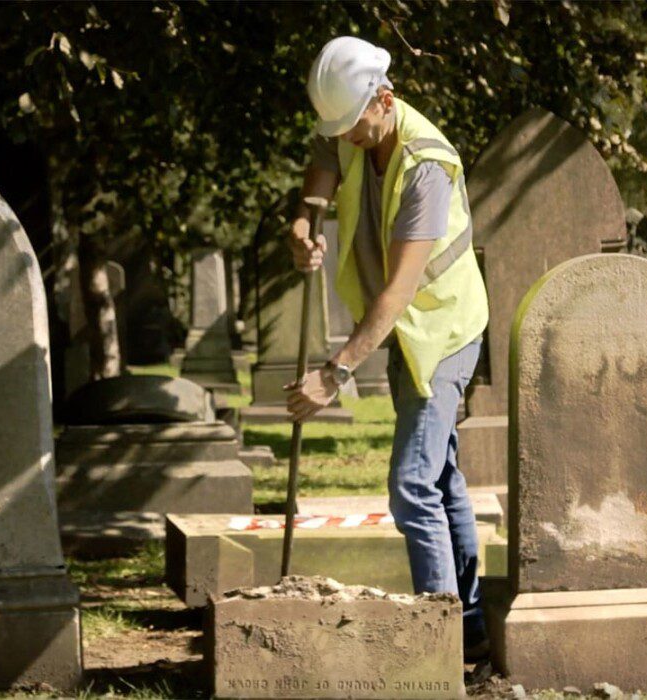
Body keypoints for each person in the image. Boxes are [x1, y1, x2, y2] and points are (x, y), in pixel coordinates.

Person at [285, 36, 490, 661]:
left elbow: (399, 293)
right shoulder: (352, 127)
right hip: (408, 328)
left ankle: (437, 648)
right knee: (442, 478)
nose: (346, 139)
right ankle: (471, 632)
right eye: (339, 127)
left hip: (443, 330)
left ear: (386, 98)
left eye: (355, 126)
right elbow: (323, 154)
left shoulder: (427, 164)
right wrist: (305, 218)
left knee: (411, 485)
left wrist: (335, 374)